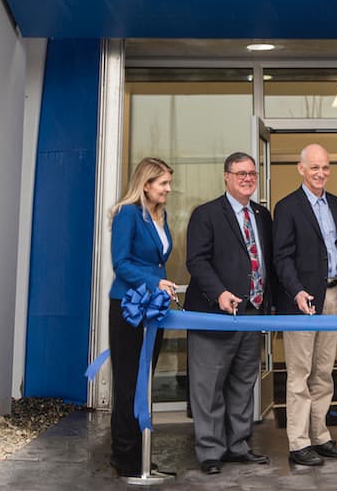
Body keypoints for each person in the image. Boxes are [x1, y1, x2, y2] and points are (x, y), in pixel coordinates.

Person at [184, 151, 274, 475]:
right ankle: (210, 451)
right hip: (214, 316)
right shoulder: (206, 214)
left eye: (252, 173)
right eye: (240, 173)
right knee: (208, 387)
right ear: (226, 176)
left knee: (242, 385)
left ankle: (237, 446)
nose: (247, 178)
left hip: (252, 315)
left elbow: (268, 265)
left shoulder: (262, 216)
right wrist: (220, 293)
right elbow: (196, 261)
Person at [272, 143, 337, 467]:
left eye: (325, 167)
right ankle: (298, 442)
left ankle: (319, 436)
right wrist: (296, 291)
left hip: (332, 295)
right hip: (302, 300)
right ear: (301, 168)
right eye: (315, 167)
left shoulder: (336, 203)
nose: (321, 173)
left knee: (324, 373)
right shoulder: (287, 206)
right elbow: (282, 257)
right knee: (300, 374)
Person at [106, 157, 180, 477]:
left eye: (169, 183)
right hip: (128, 308)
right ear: (146, 184)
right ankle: (125, 458)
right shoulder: (127, 214)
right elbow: (120, 263)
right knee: (127, 383)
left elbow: (157, 262)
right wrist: (154, 282)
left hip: (153, 309)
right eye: (163, 183)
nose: (168, 189)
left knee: (144, 383)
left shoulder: (160, 216)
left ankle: (142, 454)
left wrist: (159, 286)